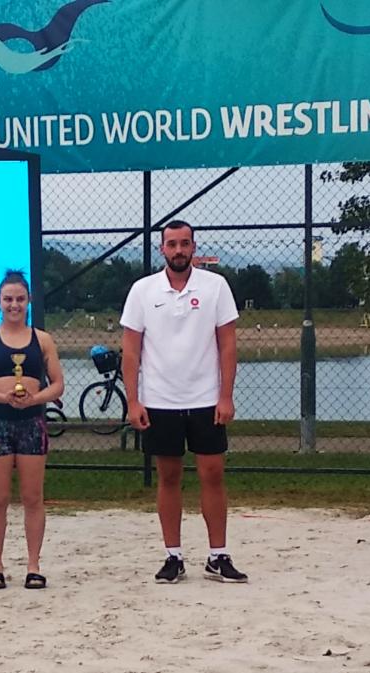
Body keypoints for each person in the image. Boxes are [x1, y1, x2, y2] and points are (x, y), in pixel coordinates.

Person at [119, 220, 248, 584]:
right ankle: (173, 556)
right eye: (172, 244)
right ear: (162, 248)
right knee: (169, 476)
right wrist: (133, 400)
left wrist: (226, 395)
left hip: (206, 399)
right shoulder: (143, 290)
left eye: (184, 243)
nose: (178, 250)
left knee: (213, 474)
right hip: (160, 400)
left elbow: (227, 344)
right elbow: (131, 350)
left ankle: (218, 555)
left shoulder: (215, 287)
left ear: (194, 247)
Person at [0, 270, 64, 591]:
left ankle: (33, 566)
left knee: (33, 497)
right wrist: (0, 397)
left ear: (29, 300)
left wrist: (36, 398)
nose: (14, 305)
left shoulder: (42, 340)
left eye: (20, 299)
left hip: (32, 423)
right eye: (8, 299)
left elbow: (58, 384)